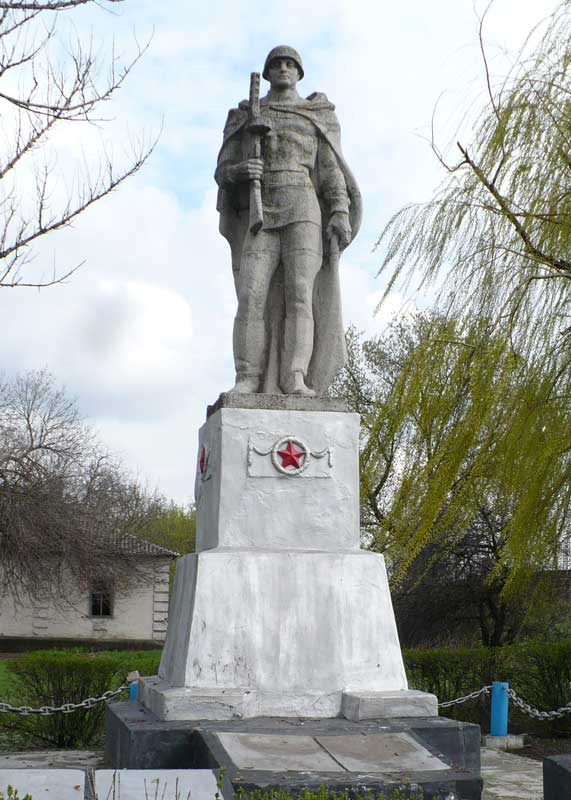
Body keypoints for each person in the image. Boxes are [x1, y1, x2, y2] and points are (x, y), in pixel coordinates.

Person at [215, 45, 362, 396]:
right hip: (261, 213)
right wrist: (241, 170)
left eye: (289, 64)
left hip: (304, 209)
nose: (283, 68)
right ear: (267, 73)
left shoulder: (315, 115)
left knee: (300, 295)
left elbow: (329, 170)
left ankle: (296, 375)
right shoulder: (247, 114)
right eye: (277, 64)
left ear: (299, 72)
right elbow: (222, 171)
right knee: (251, 295)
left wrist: (339, 211)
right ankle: (247, 377)